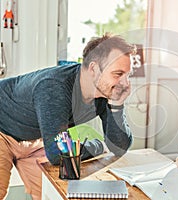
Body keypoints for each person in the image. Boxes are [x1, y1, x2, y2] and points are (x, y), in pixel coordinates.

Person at [0, 33, 135, 199]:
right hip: (2, 127)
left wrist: (117, 106)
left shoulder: (104, 93)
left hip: (35, 138)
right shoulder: (54, 87)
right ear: (93, 69)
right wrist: (97, 147)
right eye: (118, 74)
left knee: (54, 194)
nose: (125, 84)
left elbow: (118, 146)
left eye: (128, 75)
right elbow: (57, 154)